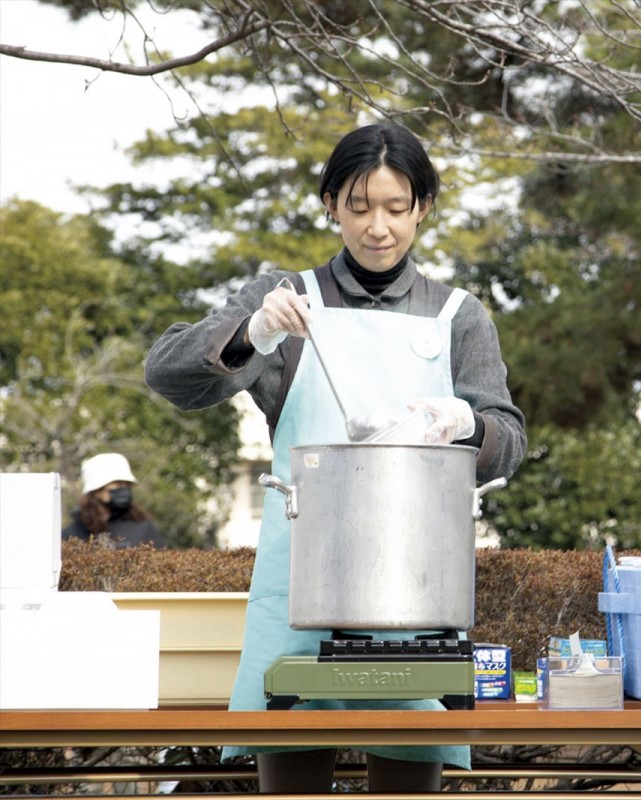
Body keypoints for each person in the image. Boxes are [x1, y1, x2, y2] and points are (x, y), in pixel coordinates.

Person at [144, 122, 526, 794]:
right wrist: (252, 334)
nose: (377, 227)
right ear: (329, 205)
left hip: (415, 591)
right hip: (300, 589)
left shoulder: (459, 317)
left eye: (395, 207)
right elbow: (167, 374)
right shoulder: (289, 302)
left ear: (423, 208)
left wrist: (469, 425)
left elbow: (509, 441)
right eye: (358, 207)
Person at [62, 452, 165, 548]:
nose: (124, 488)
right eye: (118, 483)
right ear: (97, 490)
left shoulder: (143, 529)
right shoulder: (73, 534)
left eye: (127, 484)